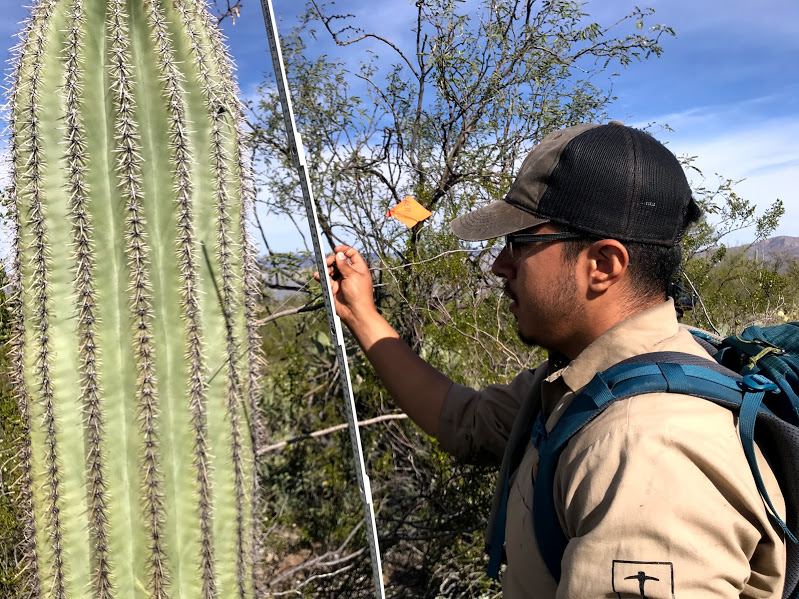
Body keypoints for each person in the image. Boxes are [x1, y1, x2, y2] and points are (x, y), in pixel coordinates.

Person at [317, 122, 786, 597]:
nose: (500, 264)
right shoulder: (593, 375)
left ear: (602, 264)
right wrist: (361, 313)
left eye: (519, 244)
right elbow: (469, 421)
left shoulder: (645, 451)